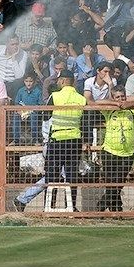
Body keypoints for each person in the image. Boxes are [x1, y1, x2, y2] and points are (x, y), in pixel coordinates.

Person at [39, 70, 86, 212]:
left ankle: (49, 206)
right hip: (75, 141)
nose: (58, 83)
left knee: (52, 175)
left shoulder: (55, 96)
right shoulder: (81, 98)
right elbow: (85, 121)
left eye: (59, 80)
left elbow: (46, 116)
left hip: (57, 141)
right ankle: (71, 207)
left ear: (64, 81)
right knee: (72, 176)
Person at [93, 86, 134, 211]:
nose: (121, 99)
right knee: (111, 183)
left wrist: (129, 104)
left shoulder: (133, 111)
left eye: (123, 96)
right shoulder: (109, 110)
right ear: (113, 98)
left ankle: (103, 206)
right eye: (117, 97)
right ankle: (115, 208)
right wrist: (115, 104)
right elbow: (97, 102)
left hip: (127, 153)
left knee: (118, 183)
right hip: (109, 151)